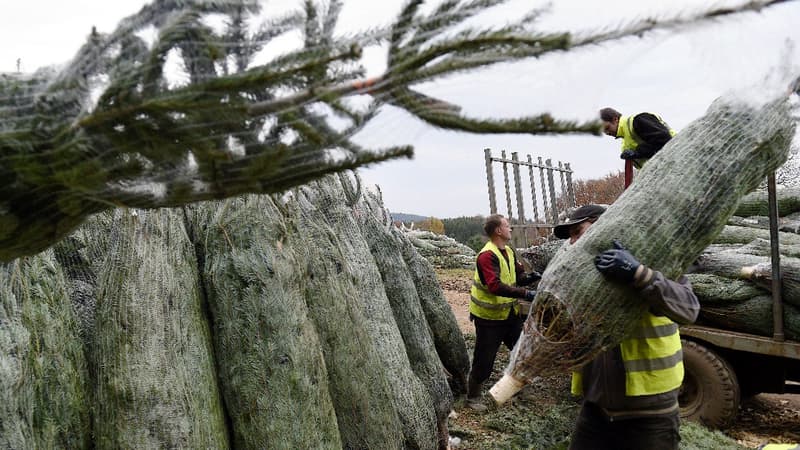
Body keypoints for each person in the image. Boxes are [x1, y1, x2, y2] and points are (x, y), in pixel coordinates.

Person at [553, 205, 700, 450]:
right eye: (571, 237)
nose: (574, 242)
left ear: (604, 226)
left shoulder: (653, 260)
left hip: (650, 412)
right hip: (596, 407)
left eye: (578, 231)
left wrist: (638, 273)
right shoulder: (582, 278)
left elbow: (688, 309)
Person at [466, 214, 540, 411]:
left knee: (521, 351)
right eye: (507, 226)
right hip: (489, 319)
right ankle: (473, 397)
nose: (511, 229)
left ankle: (518, 388)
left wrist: (530, 278)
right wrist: (526, 293)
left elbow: (517, 276)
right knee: (485, 359)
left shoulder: (507, 251)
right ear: (498, 231)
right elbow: (495, 286)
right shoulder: (486, 256)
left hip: (509, 315)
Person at [599, 107, 676, 169]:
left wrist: (637, 153)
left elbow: (664, 139)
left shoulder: (638, 120)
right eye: (603, 131)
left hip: (677, 156)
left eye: (607, 128)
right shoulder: (625, 144)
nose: (607, 133)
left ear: (615, 119)